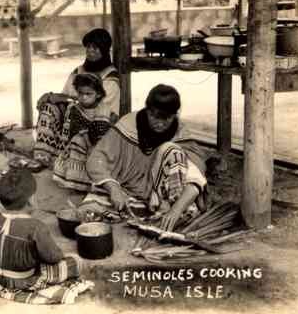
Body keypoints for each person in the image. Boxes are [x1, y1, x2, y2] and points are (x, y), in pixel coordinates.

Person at [78, 84, 208, 231]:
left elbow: (195, 174)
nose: (160, 123)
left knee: (171, 149)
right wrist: (113, 189)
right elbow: (97, 158)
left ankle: (167, 212)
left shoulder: (180, 132)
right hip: (127, 189)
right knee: (89, 210)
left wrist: (176, 210)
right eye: (154, 116)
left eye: (166, 118)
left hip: (162, 196)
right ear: (147, 110)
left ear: (174, 115)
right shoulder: (129, 124)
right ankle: (153, 213)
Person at [0, 168, 93, 304]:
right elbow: (53, 257)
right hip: (23, 281)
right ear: (31, 200)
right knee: (75, 262)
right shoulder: (35, 226)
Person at [33, 28, 120, 169]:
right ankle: (44, 156)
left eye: (96, 48)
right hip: (73, 113)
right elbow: (66, 95)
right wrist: (50, 97)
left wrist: (66, 100)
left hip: (97, 121)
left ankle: (70, 161)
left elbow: (102, 108)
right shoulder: (79, 71)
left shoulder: (110, 77)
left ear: (104, 50)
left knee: (75, 114)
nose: (90, 51)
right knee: (49, 107)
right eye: (88, 47)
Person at [51, 73, 113, 191]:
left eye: (88, 94)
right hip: (77, 147)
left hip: (98, 146)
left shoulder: (104, 109)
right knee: (78, 140)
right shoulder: (74, 109)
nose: (84, 97)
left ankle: (97, 177)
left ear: (98, 94)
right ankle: (77, 180)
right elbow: (71, 132)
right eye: (80, 93)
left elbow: (106, 132)